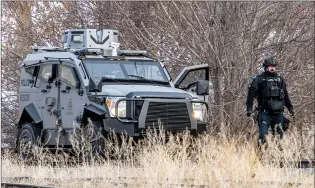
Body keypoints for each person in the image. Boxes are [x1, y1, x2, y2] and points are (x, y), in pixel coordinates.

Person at [246, 56, 294, 145]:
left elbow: (285, 95)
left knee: (280, 139)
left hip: (278, 114)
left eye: (274, 66)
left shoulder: (279, 79)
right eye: (270, 66)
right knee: (263, 137)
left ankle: (277, 157)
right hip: (264, 113)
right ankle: (260, 157)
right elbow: (250, 95)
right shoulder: (259, 79)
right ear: (266, 67)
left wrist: (290, 107)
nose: (273, 68)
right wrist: (249, 109)